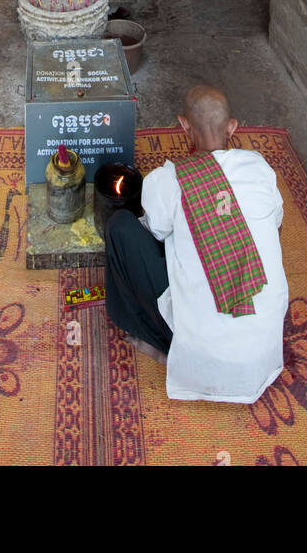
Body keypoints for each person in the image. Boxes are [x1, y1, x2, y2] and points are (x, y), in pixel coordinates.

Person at [103, 85, 288, 403]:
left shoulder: (168, 179)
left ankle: (156, 340)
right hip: (265, 352)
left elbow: (155, 233)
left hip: (200, 355)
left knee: (121, 226)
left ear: (183, 125)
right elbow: (276, 221)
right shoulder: (259, 168)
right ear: (233, 127)